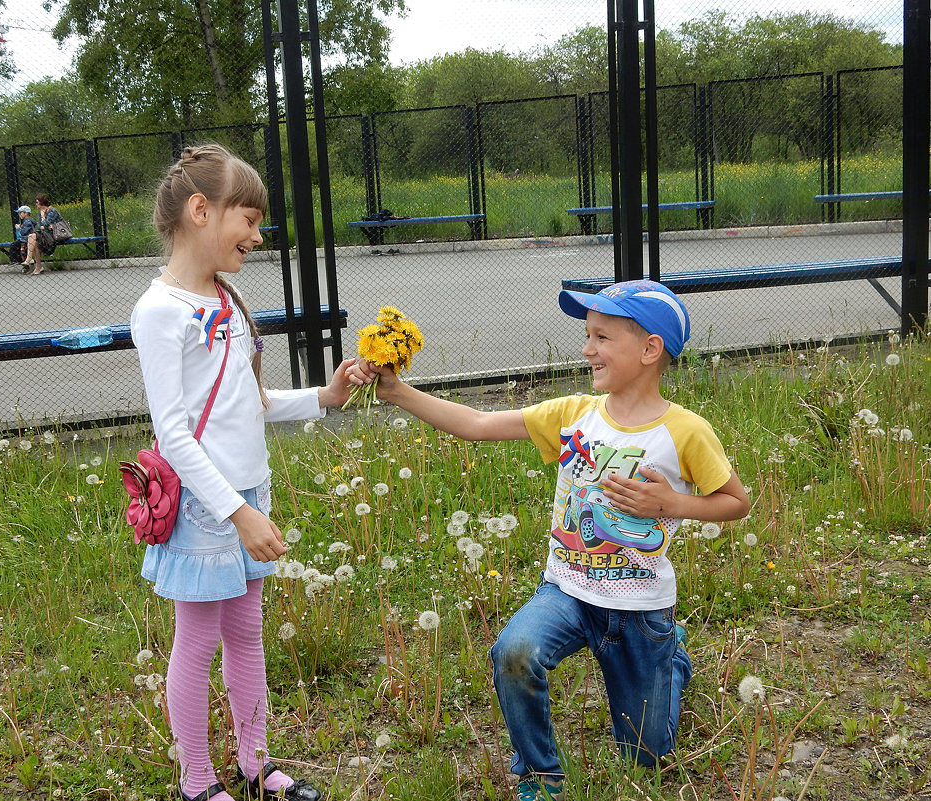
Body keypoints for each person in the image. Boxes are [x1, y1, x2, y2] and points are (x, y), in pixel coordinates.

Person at [347, 280, 750, 799]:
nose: (587, 349)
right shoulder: (572, 415)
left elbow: (735, 502)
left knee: (645, 756)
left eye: (602, 337)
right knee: (513, 652)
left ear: (651, 349)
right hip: (567, 590)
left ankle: (670, 658)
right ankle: (539, 773)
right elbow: (476, 423)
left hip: (640, 608)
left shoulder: (685, 431)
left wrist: (671, 504)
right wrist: (397, 392)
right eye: (588, 335)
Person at [130, 144, 353, 801]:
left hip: (245, 493)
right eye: (248, 220)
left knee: (245, 634)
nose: (257, 235)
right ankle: (197, 781)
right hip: (209, 506)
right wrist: (237, 510)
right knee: (196, 643)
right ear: (201, 211)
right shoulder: (161, 311)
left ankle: (254, 763)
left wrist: (324, 397)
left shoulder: (225, 297)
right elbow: (174, 432)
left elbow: (246, 404)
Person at [22, 192, 63, 275]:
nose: (36, 204)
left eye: (37, 202)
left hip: (53, 235)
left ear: (42, 202)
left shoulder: (52, 211)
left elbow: (46, 224)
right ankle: (38, 267)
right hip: (44, 234)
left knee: (32, 236)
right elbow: (39, 226)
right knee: (34, 240)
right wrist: (44, 225)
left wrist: (43, 218)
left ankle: (29, 259)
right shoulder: (39, 212)